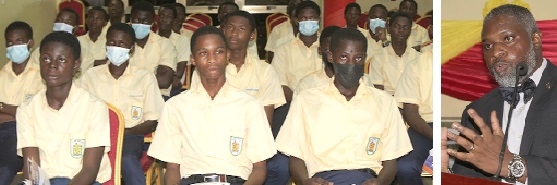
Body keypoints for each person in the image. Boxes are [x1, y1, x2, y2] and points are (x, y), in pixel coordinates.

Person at [276, 28, 412, 185]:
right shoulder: (306, 100)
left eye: (358, 58)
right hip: (324, 179)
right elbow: (295, 155)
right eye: (343, 57)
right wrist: (305, 181)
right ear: (330, 57)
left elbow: (391, 159)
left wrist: (381, 182)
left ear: (365, 59)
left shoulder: (385, 102)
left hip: (368, 178)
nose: (351, 64)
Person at [441, 4, 557, 184]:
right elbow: (468, 179)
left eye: (508, 38)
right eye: (487, 45)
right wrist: (446, 175)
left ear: (535, 39)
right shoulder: (476, 111)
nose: (495, 52)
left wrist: (511, 165)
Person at [147, 26, 276, 185]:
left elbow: (259, 168)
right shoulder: (175, 106)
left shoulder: (250, 105)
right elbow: (173, 169)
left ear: (228, 55)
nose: (211, 59)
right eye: (203, 53)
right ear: (193, 59)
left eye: (218, 52)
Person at [16, 32, 111, 185]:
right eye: (46, 59)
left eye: (61, 60)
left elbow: (89, 170)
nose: (52, 65)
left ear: (75, 65)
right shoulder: (27, 108)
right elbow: (31, 168)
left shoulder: (94, 107)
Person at [80, 23, 165, 185]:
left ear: (131, 49)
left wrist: (122, 132)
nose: (115, 47)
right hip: (95, 136)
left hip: (131, 134)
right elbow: (80, 113)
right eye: (112, 43)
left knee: (126, 158)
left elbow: (152, 121)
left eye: (122, 44)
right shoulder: (90, 76)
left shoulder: (144, 77)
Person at [0, 21, 43, 185]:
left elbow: (34, 114)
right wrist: (16, 111)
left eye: (19, 41)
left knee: (5, 167)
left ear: (30, 43)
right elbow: (23, 112)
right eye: (9, 43)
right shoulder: (2, 74)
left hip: (22, 134)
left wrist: (3, 107)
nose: (13, 46)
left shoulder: (41, 75)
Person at [395, 50, 433, 185]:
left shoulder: (460, 58)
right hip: (424, 125)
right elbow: (411, 114)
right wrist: (435, 137)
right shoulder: (416, 66)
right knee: (405, 167)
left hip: (454, 124)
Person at [129, 1, 177, 100]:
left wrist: (130, 78)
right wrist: (152, 75)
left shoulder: (164, 44)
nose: (140, 24)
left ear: (152, 22)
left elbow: (164, 81)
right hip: (128, 99)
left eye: (145, 21)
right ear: (130, 20)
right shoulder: (123, 44)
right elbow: (116, 77)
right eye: (137, 20)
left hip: (157, 99)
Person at [369, 12, 421, 96]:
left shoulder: (418, 58)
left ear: (410, 31)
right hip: (387, 105)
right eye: (397, 26)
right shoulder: (378, 58)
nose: (401, 31)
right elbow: (378, 93)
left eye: (406, 27)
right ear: (389, 29)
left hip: (413, 104)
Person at [157, 4, 191, 97]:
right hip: (150, 88)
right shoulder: (151, 39)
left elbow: (179, 72)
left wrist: (154, 71)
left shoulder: (182, 40)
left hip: (172, 90)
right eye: (162, 16)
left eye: (169, 17)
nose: (164, 20)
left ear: (174, 20)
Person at [77, 6, 109, 74]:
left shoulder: (109, 42)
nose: (94, 21)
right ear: (86, 20)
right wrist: (98, 62)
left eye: (98, 18)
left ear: (105, 23)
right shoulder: (77, 41)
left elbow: (110, 64)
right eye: (91, 18)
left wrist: (86, 64)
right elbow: (75, 66)